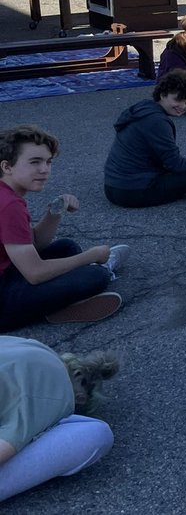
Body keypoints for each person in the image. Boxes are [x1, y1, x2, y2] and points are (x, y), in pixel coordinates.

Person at [0, 126, 127, 329]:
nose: (45, 169)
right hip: (3, 301)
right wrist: (91, 255)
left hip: (9, 273)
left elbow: (35, 245)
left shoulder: (7, 194)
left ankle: (62, 303)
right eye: (35, 162)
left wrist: (54, 213)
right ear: (7, 167)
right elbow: (34, 273)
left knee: (66, 247)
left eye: (48, 162)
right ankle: (95, 273)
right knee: (96, 276)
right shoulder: (9, 205)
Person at [0, 339, 118, 503]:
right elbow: (6, 445)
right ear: (81, 398)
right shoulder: (58, 397)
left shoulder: (30, 344)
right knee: (97, 433)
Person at [103, 70, 186, 207]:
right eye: (178, 99)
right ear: (162, 94)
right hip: (134, 192)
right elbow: (176, 165)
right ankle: (185, 190)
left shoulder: (143, 108)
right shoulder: (157, 121)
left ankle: (180, 186)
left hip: (112, 187)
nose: (182, 106)